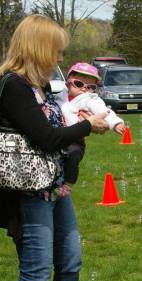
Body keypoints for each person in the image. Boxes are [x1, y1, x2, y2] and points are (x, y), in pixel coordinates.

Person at [0, 15, 110, 281]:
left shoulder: (41, 87)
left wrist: (78, 124)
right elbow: (45, 137)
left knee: (70, 262)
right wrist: (90, 126)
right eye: (55, 48)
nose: (59, 56)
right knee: (36, 275)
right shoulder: (11, 86)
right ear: (38, 47)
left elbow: (55, 132)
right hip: (27, 194)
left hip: (53, 188)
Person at [53, 62, 125, 198]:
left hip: (75, 140)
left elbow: (104, 112)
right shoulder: (59, 97)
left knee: (72, 155)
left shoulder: (90, 99)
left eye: (91, 87)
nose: (84, 89)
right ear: (68, 83)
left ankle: (68, 185)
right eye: (79, 84)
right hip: (58, 138)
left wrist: (115, 123)